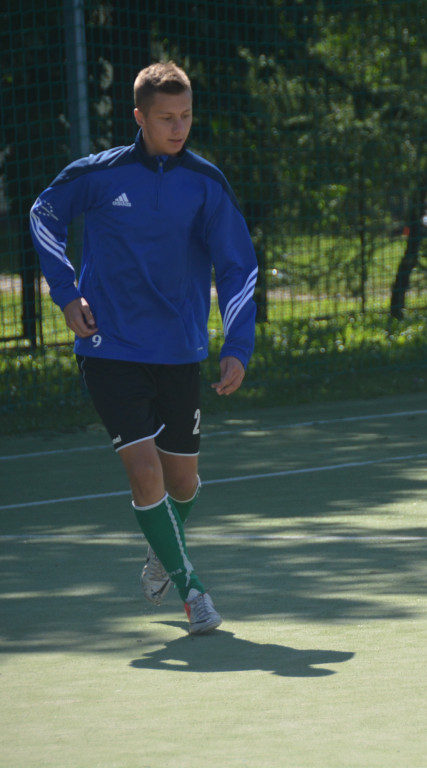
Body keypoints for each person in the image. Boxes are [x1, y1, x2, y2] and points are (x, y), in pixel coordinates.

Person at [29, 61, 258, 635]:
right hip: (110, 348)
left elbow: (237, 266)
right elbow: (44, 214)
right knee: (144, 471)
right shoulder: (101, 175)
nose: (178, 128)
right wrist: (65, 294)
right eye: (165, 118)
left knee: (183, 482)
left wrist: (238, 342)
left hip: (180, 352)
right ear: (139, 117)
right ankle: (193, 592)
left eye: (185, 116)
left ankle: (164, 549)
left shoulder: (206, 182)